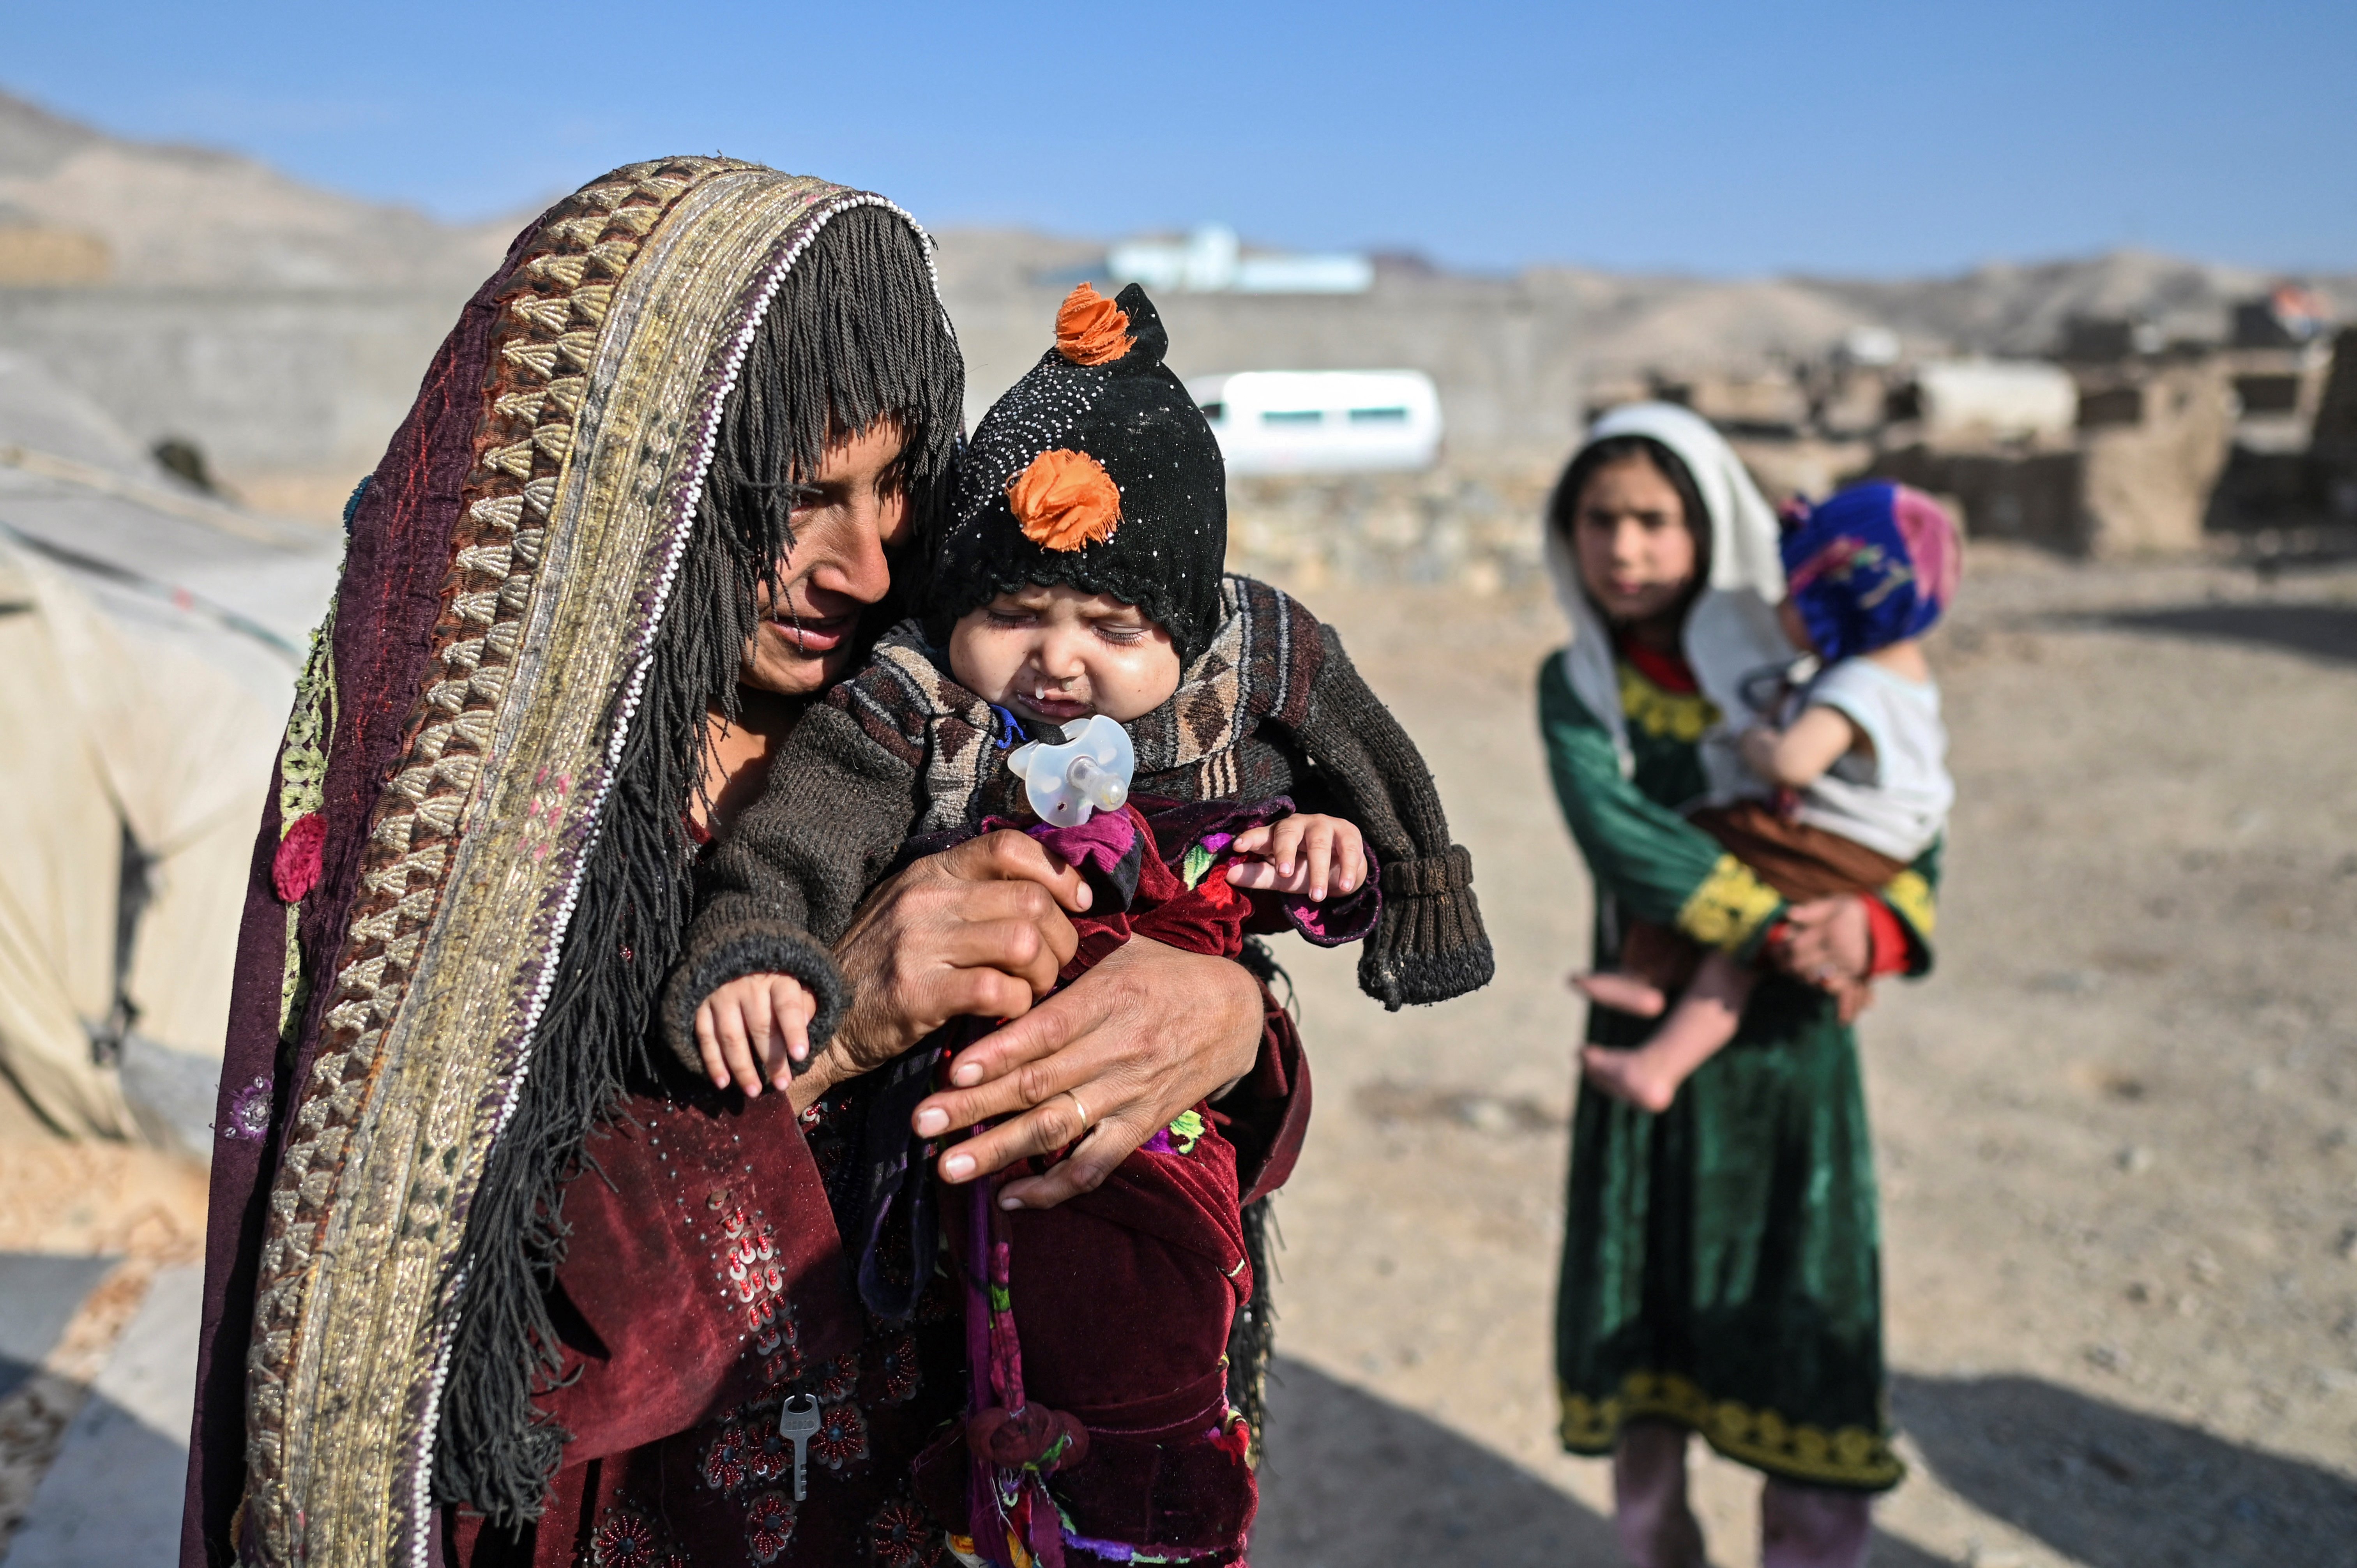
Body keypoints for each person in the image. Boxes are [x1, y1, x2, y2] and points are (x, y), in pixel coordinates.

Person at [181, 160, 1310, 1568]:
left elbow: (1199, 1058)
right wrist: (834, 1025)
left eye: (898, 484)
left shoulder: (954, 721)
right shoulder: (486, 822)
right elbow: (428, 1340)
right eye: (794, 498)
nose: (859, 561)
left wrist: (1219, 1019)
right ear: (639, 490)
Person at [670, 282, 1492, 1566]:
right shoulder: (903, 707)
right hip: (914, 1238)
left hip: (1148, 1179)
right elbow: (797, 847)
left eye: (1109, 626)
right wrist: (774, 967)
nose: (1057, 662)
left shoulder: (1221, 704)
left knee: (1142, 1368)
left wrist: (1327, 898)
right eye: (1015, 616)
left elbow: (1325, 807)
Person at [1537, 404, 1943, 1568]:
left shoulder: (1811, 665)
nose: (1627, 548)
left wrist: (1872, 927)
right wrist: (1779, 923)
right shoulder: (1576, 683)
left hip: (1793, 1055)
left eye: (1656, 521)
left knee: (1800, 1317)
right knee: (1648, 1355)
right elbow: (1624, 841)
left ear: (1711, 525)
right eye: (1601, 521)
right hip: (1651, 1032)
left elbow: (1913, 827)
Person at [1572, 480, 1958, 1113]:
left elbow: (1793, 765)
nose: (1781, 609)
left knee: (1700, 828)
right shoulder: (1908, 679)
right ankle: (1659, 1048)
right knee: (1735, 966)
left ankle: (1650, 981)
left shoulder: (1855, 686)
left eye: (1798, 597)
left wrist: (1755, 741)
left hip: (1834, 849)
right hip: (1878, 858)